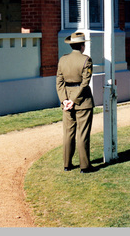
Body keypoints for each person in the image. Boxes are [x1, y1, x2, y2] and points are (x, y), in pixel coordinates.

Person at [56, 32, 95, 173]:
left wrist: (65, 100)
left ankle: (67, 164)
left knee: (68, 133)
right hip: (82, 101)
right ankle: (85, 166)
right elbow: (85, 84)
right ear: (82, 45)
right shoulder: (86, 60)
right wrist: (73, 101)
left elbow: (59, 82)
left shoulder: (63, 60)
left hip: (66, 99)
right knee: (82, 134)